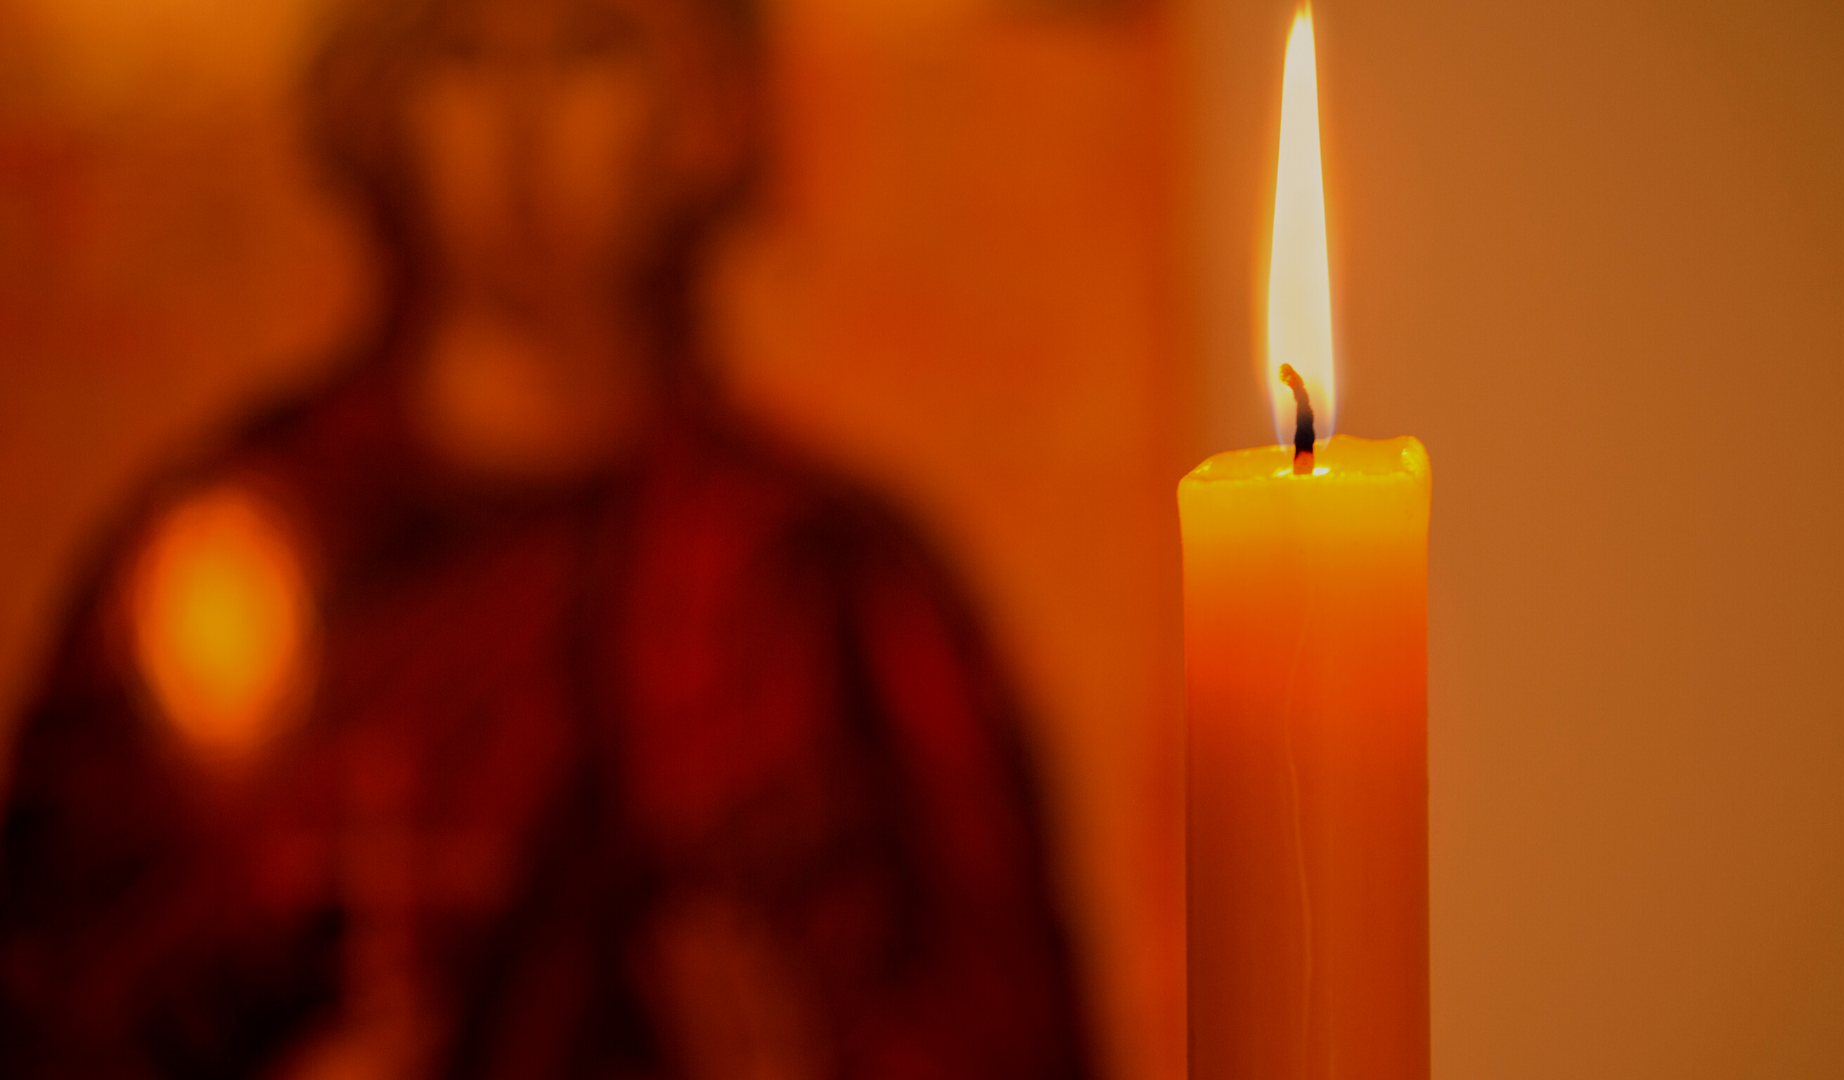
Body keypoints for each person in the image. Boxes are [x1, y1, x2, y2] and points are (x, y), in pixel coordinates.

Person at [0, 0, 1093, 1077]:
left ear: (703, 112)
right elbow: (63, 997)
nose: (522, 128)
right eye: (464, 56)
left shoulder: (827, 583)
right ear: (376, 104)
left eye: (589, 51)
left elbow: (1001, 1026)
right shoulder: (224, 567)